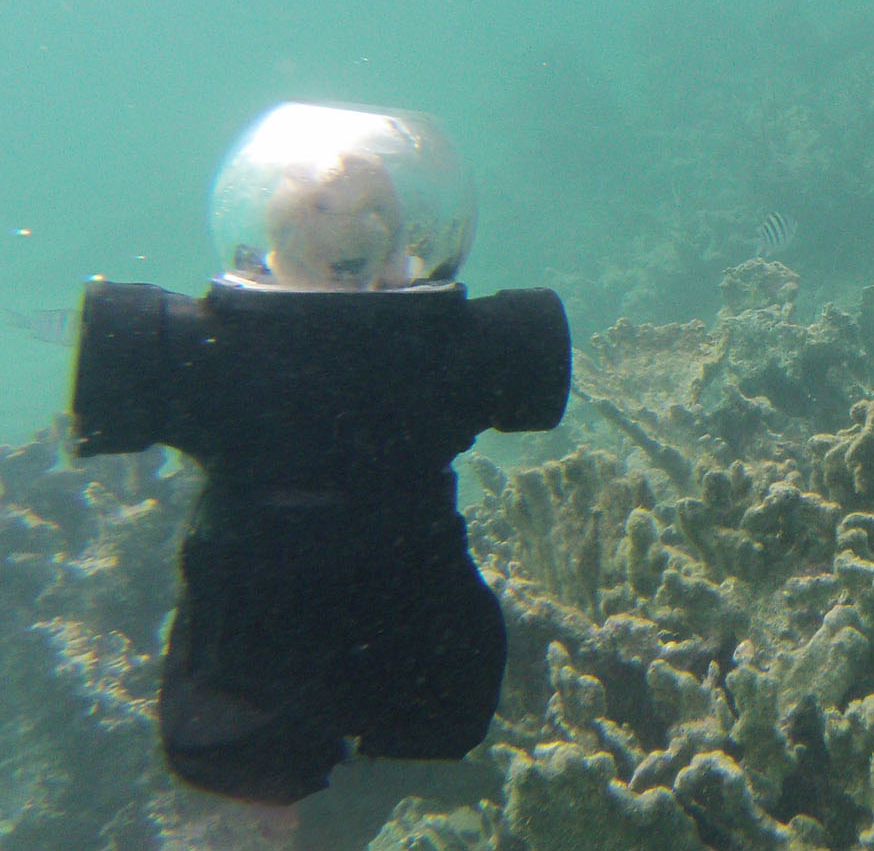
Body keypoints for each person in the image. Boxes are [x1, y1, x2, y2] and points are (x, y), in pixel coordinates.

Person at [72, 102, 570, 803]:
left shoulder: (194, 352)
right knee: (426, 719)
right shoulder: (461, 352)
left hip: (250, 654)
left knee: (241, 747)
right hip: (426, 645)